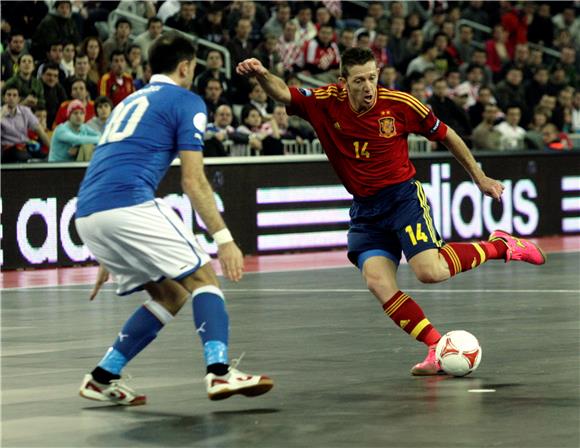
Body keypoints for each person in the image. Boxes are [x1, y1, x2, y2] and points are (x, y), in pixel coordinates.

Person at [236, 48, 546, 376]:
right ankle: (436, 346)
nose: (369, 86)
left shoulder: (400, 104)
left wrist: (479, 178)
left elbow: (447, 135)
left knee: (430, 272)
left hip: (402, 199)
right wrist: (261, 73)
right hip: (366, 210)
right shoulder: (325, 101)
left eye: (373, 77)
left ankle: (501, 246)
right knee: (377, 282)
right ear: (344, 83)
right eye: (359, 80)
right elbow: (283, 92)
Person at [75, 34, 273, 405]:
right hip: (127, 205)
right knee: (203, 278)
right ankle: (219, 373)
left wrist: (106, 245)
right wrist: (224, 237)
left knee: (171, 294)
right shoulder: (186, 100)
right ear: (185, 67)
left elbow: (108, 163)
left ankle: (103, 377)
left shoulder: (127, 102)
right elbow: (193, 179)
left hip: (88, 212)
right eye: (194, 67)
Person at [1, 86, 51, 163]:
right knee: (19, 155)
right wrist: (1, 115)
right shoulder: (0, 113)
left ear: (18, 99)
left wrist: (52, 150)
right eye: (9, 95)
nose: (11, 98)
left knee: (45, 156)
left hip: (25, 145)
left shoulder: (25, 111)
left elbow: (40, 132)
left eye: (14, 95)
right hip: (7, 149)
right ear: (4, 98)